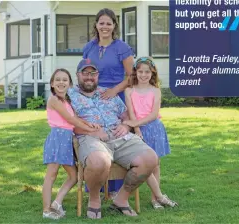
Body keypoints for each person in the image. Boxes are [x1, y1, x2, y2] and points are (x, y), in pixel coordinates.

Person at [68, 58, 177, 219]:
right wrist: (90, 131)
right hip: (90, 137)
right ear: (77, 75)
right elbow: (67, 121)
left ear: (98, 75)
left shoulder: (108, 93)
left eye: (93, 73)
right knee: (99, 162)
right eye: (85, 73)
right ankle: (94, 199)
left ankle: (121, 199)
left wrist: (126, 126)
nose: (89, 77)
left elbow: (125, 113)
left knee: (150, 159)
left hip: (119, 135)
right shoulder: (70, 95)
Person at [82, 7, 135, 196]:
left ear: (114, 26)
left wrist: (114, 90)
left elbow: (131, 76)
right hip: (93, 97)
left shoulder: (122, 48)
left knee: (115, 137)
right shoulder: (89, 47)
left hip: (115, 96)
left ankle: (115, 188)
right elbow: (85, 72)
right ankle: (95, 185)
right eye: (101, 23)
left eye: (108, 23)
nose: (105, 26)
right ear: (96, 25)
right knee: (96, 136)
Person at [42, 68, 100, 220]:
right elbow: (70, 120)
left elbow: (76, 117)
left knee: (74, 176)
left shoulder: (66, 100)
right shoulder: (54, 100)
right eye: (58, 80)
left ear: (69, 84)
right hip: (57, 138)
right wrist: (89, 130)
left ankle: (57, 203)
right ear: (52, 84)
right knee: (51, 174)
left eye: (65, 80)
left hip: (67, 139)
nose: (61, 82)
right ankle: (46, 210)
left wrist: (89, 124)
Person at [123, 57, 178, 209]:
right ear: (135, 72)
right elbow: (132, 112)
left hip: (155, 128)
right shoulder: (129, 91)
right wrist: (137, 129)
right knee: (146, 164)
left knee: (156, 165)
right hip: (139, 130)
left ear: (152, 73)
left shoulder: (156, 91)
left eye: (147, 72)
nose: (144, 75)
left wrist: (135, 124)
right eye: (140, 71)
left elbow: (154, 114)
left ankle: (155, 199)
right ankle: (160, 195)